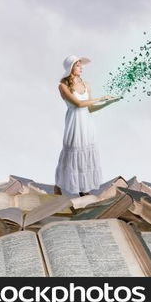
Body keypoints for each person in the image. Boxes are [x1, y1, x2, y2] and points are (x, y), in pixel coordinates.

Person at [54, 55, 121, 197]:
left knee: (85, 152)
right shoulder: (63, 86)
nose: (81, 67)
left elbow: (90, 108)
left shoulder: (86, 85)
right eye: (78, 65)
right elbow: (78, 104)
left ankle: (84, 189)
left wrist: (109, 102)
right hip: (74, 122)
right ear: (70, 67)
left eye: (80, 65)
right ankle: (58, 185)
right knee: (71, 151)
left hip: (87, 122)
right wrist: (101, 98)